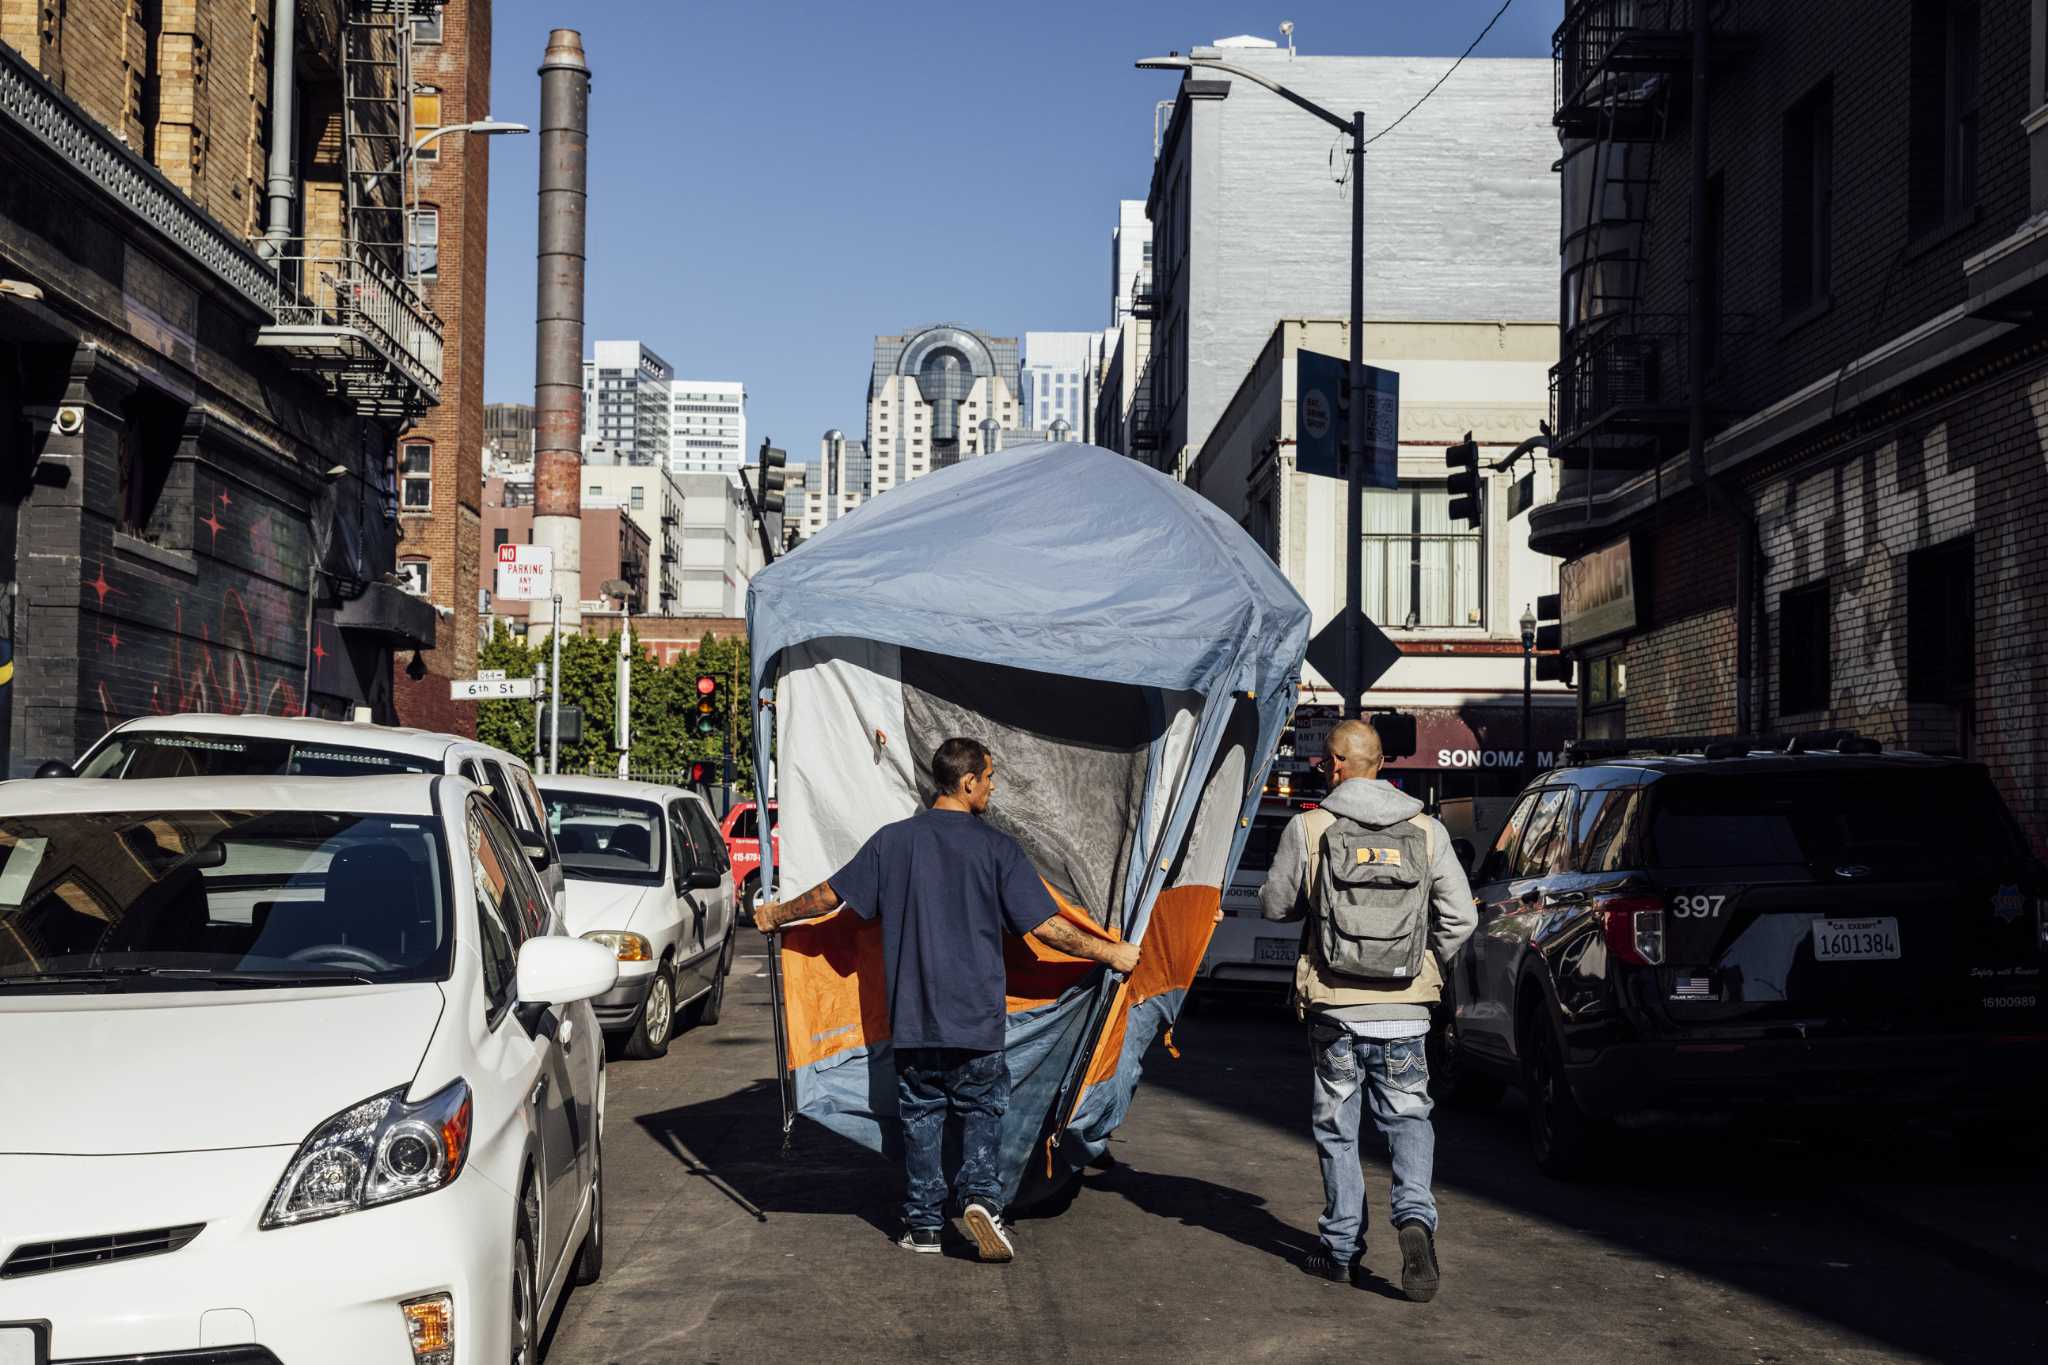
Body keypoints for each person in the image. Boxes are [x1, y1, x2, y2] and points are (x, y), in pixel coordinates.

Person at [754, 736, 1141, 1262]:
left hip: (913, 1019)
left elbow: (829, 896)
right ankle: (981, 1198)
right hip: (976, 1020)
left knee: (921, 1118)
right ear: (966, 783)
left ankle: (924, 1226)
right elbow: (1048, 928)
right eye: (988, 777)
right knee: (982, 1109)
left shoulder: (892, 843)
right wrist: (1110, 952)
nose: (993, 785)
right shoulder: (997, 849)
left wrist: (777, 915)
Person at [1257, 718, 1475, 1302]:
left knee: (1338, 1128)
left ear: (1333, 763)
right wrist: (1425, 964)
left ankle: (1341, 1249)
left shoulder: (1309, 827)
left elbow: (1276, 907)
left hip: (1335, 1007)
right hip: (1406, 1012)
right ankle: (1414, 1220)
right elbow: (1463, 919)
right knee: (1408, 1119)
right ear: (1381, 763)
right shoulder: (1427, 831)